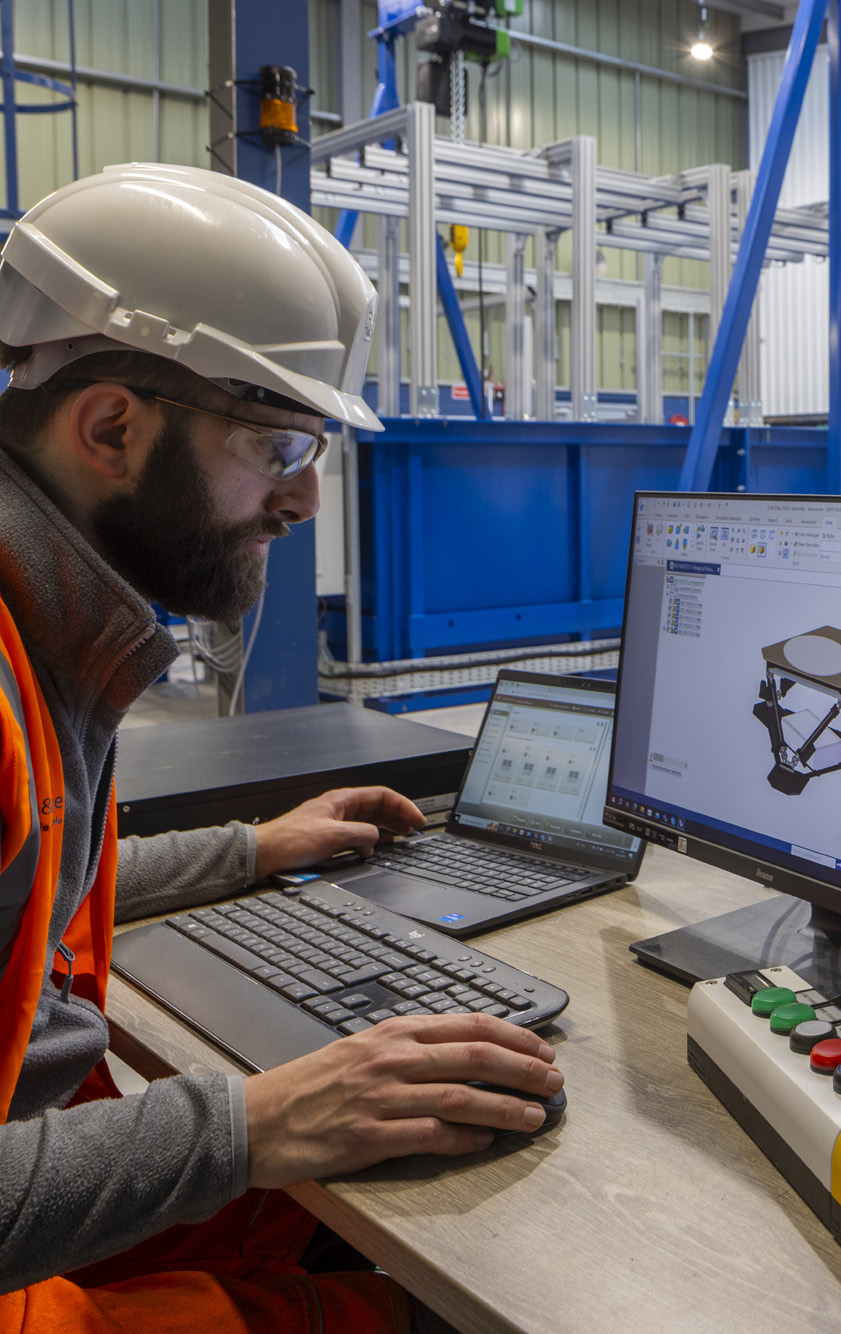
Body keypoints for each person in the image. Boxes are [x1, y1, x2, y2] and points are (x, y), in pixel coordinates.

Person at [0, 164, 561, 1331]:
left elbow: (35, 888)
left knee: (352, 1198)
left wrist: (252, 848)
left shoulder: (45, 624)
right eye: (281, 449)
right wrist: (261, 1121)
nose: (301, 504)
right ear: (112, 426)